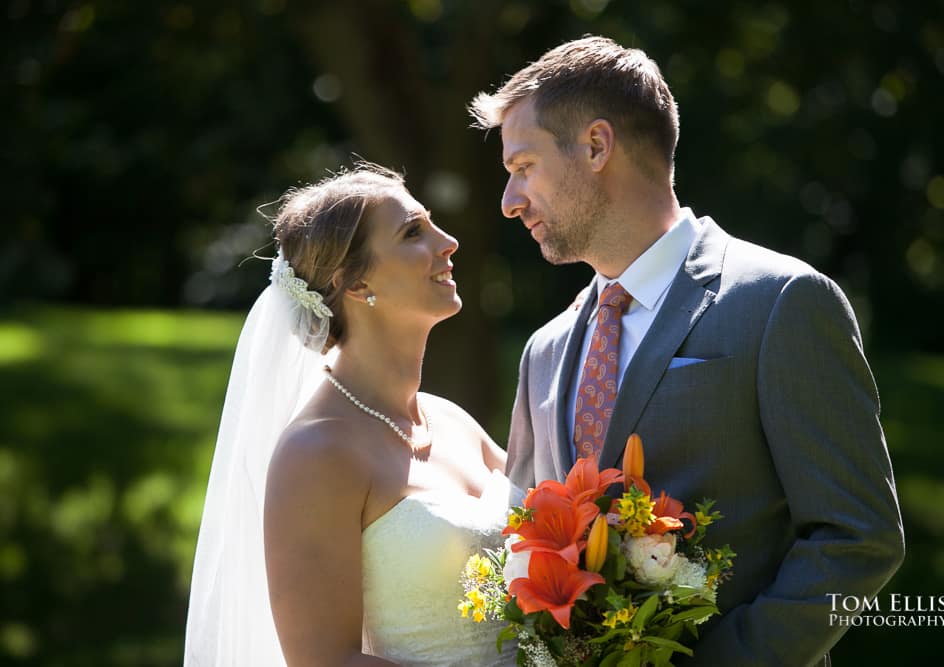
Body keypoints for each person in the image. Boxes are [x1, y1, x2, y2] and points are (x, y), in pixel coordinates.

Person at [470, 36, 905, 666]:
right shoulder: (544, 350)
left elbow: (857, 538)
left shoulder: (782, 302)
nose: (510, 202)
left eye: (523, 167)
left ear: (596, 146)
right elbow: (520, 541)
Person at [184, 164, 520, 666]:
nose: (448, 241)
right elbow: (323, 660)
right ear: (356, 283)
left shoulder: (452, 421)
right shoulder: (317, 452)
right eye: (413, 232)